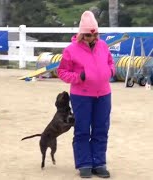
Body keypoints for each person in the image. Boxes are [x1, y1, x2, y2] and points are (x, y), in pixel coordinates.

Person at [57, 11, 115, 178]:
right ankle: (84, 163)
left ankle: (99, 162)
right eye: (90, 35)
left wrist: (110, 71)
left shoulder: (103, 46)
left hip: (103, 94)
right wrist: (79, 77)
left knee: (101, 129)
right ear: (82, 34)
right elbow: (62, 72)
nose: (93, 38)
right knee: (82, 129)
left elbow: (110, 62)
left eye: (95, 34)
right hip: (81, 96)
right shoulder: (70, 50)